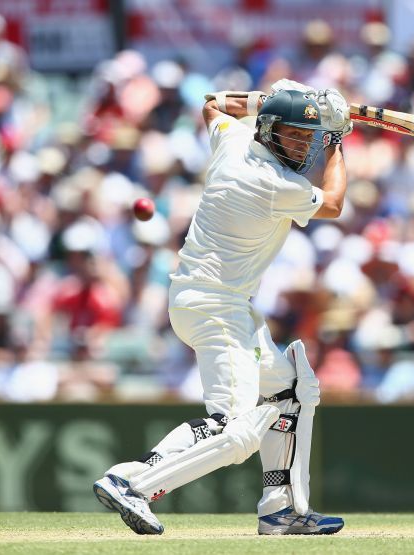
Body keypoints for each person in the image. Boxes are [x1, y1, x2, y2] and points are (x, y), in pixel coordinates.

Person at [92, 82, 351, 535]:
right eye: (294, 135)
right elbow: (332, 202)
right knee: (234, 427)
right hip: (217, 305)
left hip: (213, 299)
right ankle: (133, 481)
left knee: (291, 390)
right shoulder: (274, 183)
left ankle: (282, 508)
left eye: (307, 138)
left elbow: (212, 103)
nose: (303, 145)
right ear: (269, 132)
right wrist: (336, 140)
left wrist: (269, 103)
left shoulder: (233, 140)